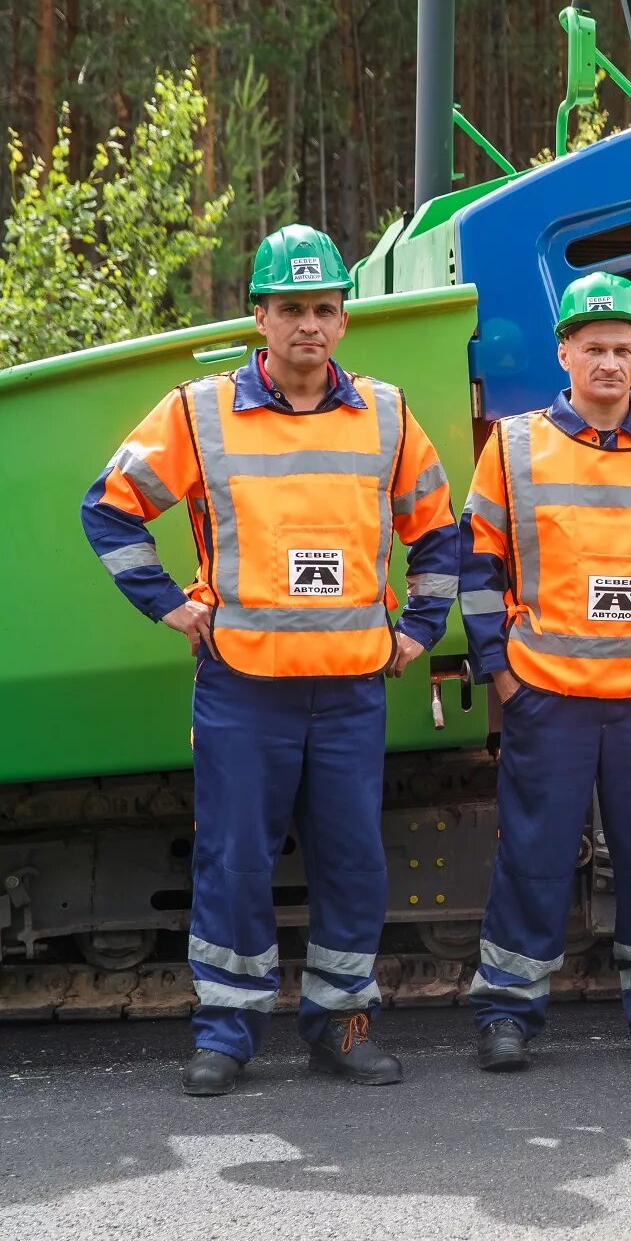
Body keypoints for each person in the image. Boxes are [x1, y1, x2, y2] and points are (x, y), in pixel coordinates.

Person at [81, 224, 459, 1095]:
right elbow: (109, 508)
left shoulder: (389, 415)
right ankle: (227, 1032)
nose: (309, 327)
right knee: (234, 858)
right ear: (260, 316)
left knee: (352, 860)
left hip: (351, 690)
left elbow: (439, 533)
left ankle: (342, 1023)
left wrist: (418, 628)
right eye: (291, 309)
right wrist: (171, 606)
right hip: (243, 689)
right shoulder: (199, 411)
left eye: (325, 309)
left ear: (344, 319)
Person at [457, 271, 631, 1071]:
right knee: (533, 854)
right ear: (565, 353)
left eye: (622, 347)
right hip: (548, 695)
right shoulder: (511, 448)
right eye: (592, 347)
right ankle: (508, 1011)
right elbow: (479, 566)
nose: (607, 361)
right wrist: (500, 674)